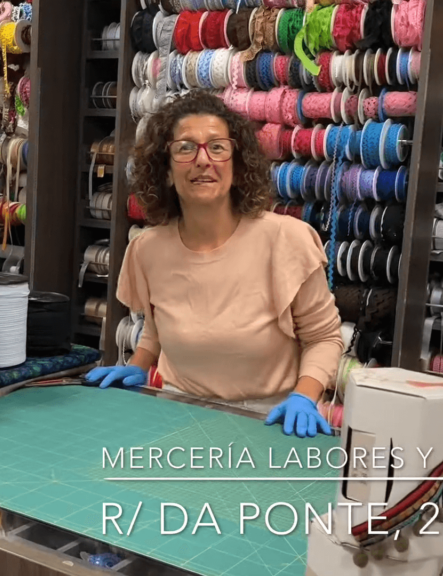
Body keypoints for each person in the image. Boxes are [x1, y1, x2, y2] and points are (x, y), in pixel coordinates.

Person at [85, 91, 343, 438]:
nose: (203, 160)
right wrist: (139, 364)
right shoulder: (147, 250)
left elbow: (324, 338)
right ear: (165, 170)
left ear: (237, 167)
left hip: (267, 422)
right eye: (185, 148)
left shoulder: (287, 241)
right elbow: (157, 326)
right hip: (176, 416)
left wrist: (304, 397)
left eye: (218, 147)